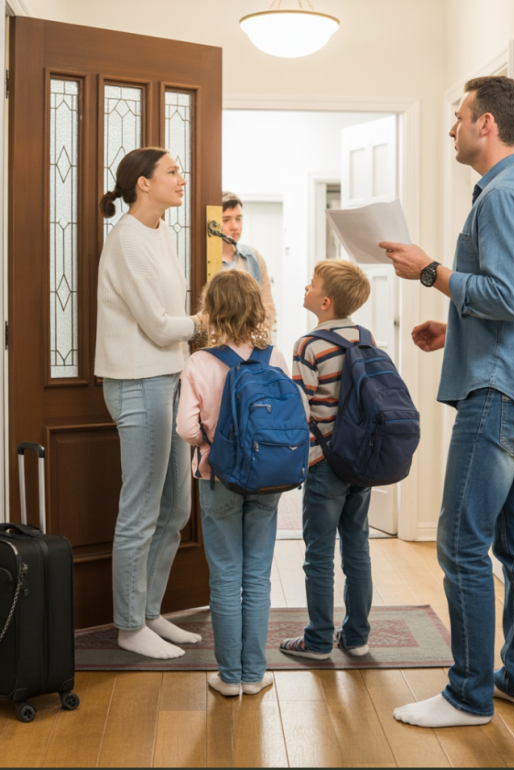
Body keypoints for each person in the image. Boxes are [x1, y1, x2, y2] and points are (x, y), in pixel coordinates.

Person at [379, 75, 514, 728]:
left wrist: (429, 271)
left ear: (486, 123)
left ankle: (467, 694)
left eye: (459, 116)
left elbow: (508, 296)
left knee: (461, 542)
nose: (452, 128)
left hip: (498, 394)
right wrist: (455, 327)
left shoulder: (502, 196)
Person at [95, 147, 206, 659]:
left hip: (170, 379)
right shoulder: (126, 241)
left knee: (176, 508)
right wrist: (208, 322)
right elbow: (159, 327)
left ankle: (148, 613)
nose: (182, 179)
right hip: (138, 382)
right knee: (140, 510)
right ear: (143, 183)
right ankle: (128, 625)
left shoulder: (162, 232)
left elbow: (169, 322)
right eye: (172, 172)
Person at [176, 269, 297, 696]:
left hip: (218, 477)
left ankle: (229, 678)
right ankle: (254, 674)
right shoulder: (274, 357)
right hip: (267, 479)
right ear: (256, 309)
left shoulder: (199, 362)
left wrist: (212, 444)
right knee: (258, 576)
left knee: (226, 576)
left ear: (211, 311)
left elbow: (186, 428)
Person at [279, 260, 375, 661]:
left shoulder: (308, 345)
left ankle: (318, 640)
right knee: (357, 549)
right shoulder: (365, 338)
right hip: (362, 461)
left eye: (312, 283)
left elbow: (299, 409)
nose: (306, 286)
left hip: (325, 462)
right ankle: (356, 637)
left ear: (325, 302)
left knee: (319, 554)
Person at [220, 192, 277, 331]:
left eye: (238, 219)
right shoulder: (207, 261)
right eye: (226, 220)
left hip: (253, 338)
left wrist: (259, 337)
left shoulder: (253, 257)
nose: (234, 226)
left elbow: (267, 307)